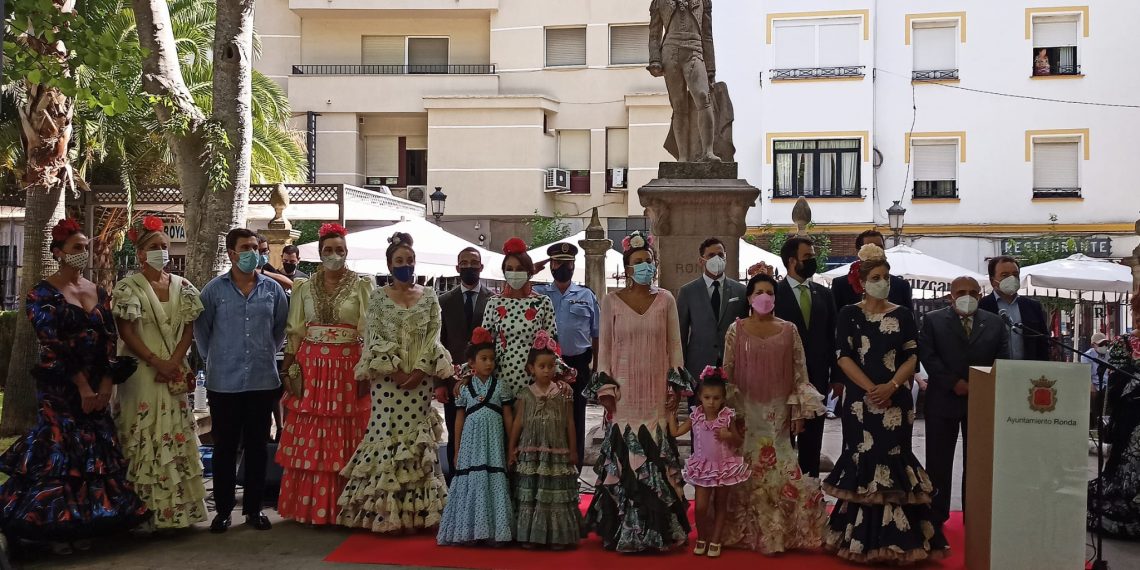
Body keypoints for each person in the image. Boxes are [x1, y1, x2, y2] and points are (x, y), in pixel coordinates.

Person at [0, 219, 149, 553]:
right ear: (59, 253)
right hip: (61, 387)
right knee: (62, 452)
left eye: (85, 247)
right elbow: (52, 343)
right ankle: (54, 528)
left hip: (99, 382)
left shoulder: (98, 291)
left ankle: (90, 524)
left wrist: (106, 383)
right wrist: (83, 387)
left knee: (96, 452)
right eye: (76, 248)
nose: (83, 252)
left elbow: (109, 338)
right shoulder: (41, 294)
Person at [824, 244, 948, 563]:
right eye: (876, 277)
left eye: (886, 277)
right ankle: (861, 538)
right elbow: (843, 356)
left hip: (896, 401)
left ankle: (901, 538)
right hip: (860, 403)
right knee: (863, 457)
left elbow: (912, 355)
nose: (883, 282)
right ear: (862, 282)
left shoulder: (903, 314)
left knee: (894, 458)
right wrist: (871, 389)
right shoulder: (849, 314)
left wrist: (891, 386)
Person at [584, 230, 692, 553]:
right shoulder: (610, 301)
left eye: (649, 260)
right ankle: (621, 528)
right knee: (624, 456)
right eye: (638, 261)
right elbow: (604, 349)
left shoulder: (667, 300)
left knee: (656, 455)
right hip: (623, 395)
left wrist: (675, 386)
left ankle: (659, 530)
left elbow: (676, 346)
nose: (645, 265)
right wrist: (605, 388)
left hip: (657, 392)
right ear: (627, 268)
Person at [338, 232, 453, 533]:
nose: (406, 265)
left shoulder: (429, 296)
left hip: (420, 382)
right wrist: (395, 370)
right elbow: (373, 335)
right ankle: (383, 512)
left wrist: (419, 370)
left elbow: (434, 335)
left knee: (417, 440)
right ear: (389, 265)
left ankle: (420, 512)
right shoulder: (378, 297)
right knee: (384, 434)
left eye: (410, 260)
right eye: (399, 261)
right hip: (386, 381)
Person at [112, 216, 208, 532]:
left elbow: (189, 330)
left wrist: (173, 362)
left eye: (165, 245)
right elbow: (126, 332)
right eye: (154, 246)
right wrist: (156, 361)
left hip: (173, 371)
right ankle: (143, 515)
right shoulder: (127, 288)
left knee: (176, 431)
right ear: (141, 253)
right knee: (143, 433)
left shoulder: (184, 286)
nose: (162, 251)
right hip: (141, 372)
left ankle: (178, 512)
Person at [720, 272, 828, 555]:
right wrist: (729, 411)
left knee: (782, 460)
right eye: (758, 292)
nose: (764, 297)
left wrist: (798, 411)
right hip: (746, 409)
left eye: (769, 292)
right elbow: (727, 371)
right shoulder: (736, 330)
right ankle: (745, 529)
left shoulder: (789, 329)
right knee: (746, 461)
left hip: (779, 411)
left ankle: (780, 530)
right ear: (749, 298)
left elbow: (799, 371)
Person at [275, 223, 372, 526]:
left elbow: (369, 332)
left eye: (339, 250)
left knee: (347, 433)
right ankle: (311, 507)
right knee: (311, 434)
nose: (334, 255)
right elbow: (295, 331)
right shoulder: (303, 287)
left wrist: (367, 371)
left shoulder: (362, 285)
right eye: (328, 250)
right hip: (311, 369)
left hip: (347, 368)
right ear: (319, 253)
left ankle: (347, 508)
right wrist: (287, 368)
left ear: (347, 252)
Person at [196, 228, 289, 533]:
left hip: (262, 380)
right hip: (224, 382)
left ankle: (253, 509)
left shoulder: (273, 290)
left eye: (256, 248)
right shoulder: (213, 291)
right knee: (224, 447)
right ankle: (223, 511)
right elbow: (203, 334)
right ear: (232, 253)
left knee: (257, 446)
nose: (253, 253)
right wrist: (218, 359)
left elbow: (279, 330)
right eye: (246, 247)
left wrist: (263, 352)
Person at [919, 276, 1009, 530]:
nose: (967, 296)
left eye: (972, 292)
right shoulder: (933, 320)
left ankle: (976, 515)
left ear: (980, 295)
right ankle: (936, 516)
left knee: (978, 463)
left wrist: (980, 385)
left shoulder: (995, 323)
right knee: (938, 462)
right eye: (961, 292)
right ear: (951, 296)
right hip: (942, 400)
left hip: (981, 401)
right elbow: (928, 355)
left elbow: (1003, 358)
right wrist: (953, 382)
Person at [437, 327, 514, 546]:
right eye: (484, 359)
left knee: (493, 478)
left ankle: (494, 531)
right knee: (471, 479)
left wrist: (511, 446)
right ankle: (469, 530)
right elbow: (458, 421)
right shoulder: (464, 390)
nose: (489, 363)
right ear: (471, 363)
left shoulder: (501, 387)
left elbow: (508, 418)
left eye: (492, 359)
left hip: (493, 445)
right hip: (470, 446)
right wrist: (457, 449)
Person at [509, 330, 582, 550]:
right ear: (531, 368)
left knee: (553, 494)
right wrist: (511, 448)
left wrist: (573, 450)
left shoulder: (564, 393)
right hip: (531, 451)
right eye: (542, 366)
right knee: (532, 493)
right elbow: (518, 423)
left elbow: (570, 422)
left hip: (556, 450)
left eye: (551, 366)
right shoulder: (525, 394)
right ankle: (530, 534)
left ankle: (557, 536)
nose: (547, 370)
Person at [669, 369, 748, 559]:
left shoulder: (727, 417)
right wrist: (671, 413)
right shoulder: (696, 416)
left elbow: (739, 441)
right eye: (707, 397)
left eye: (716, 398)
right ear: (700, 397)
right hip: (703, 467)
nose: (711, 402)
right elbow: (675, 432)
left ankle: (716, 539)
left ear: (723, 399)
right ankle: (702, 537)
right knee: (701, 507)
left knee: (721, 505)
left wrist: (729, 435)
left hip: (724, 466)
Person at [534, 242, 599, 469]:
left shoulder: (586, 295)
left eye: (567, 263)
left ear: (573, 265)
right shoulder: (538, 293)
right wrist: (530, 270)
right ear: (550, 265)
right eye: (557, 263)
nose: (562, 267)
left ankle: (574, 471)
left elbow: (597, 333)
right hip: (545, 365)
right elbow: (514, 289)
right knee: (545, 418)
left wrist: (596, 368)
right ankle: (548, 470)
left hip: (578, 364)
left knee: (576, 418)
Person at [774, 236, 836, 477]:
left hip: (817, 379)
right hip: (783, 379)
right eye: (807, 256)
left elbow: (832, 336)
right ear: (792, 261)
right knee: (783, 440)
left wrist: (836, 377)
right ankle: (785, 488)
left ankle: (811, 488)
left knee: (813, 440)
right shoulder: (774, 293)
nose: (812, 260)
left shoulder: (824, 294)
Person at [437, 247, 493, 483]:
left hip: (485, 380)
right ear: (457, 267)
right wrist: (440, 383)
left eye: (474, 263)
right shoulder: (444, 301)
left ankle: (482, 483)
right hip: (454, 381)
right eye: (464, 263)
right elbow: (438, 344)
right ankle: (455, 483)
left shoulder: (493, 300)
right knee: (455, 433)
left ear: (481, 267)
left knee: (484, 435)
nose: (469, 267)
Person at [481, 238, 563, 397]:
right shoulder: (494, 303)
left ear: (529, 272)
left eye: (519, 269)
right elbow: (484, 344)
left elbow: (552, 344)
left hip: (535, 381)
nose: (514, 273)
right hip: (500, 380)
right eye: (509, 269)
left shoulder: (543, 302)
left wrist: (559, 376)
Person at [1087, 296, 1140, 538]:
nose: (1138, 316)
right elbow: (1115, 383)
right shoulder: (1125, 343)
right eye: (1137, 311)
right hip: (1132, 417)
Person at [678, 238, 748, 386]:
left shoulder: (741, 291)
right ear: (701, 260)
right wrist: (680, 369)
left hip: (732, 364)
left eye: (720, 255)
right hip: (697, 366)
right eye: (711, 255)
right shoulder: (688, 292)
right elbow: (681, 335)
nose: (717, 259)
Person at [979, 256, 1051, 361]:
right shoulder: (982, 306)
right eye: (1004, 275)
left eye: (1015, 274)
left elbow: (1042, 343)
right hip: (993, 368)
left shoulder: (1033, 307)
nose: (1011, 278)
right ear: (992, 281)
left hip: (1028, 368)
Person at [831, 230, 914, 310]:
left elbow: (909, 317)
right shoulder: (841, 286)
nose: (876, 251)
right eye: (870, 247)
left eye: (879, 247)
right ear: (858, 252)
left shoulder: (901, 286)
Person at [1081, 332, 1111, 431]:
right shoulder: (1087, 356)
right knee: (1093, 395)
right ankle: (1096, 424)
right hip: (1095, 384)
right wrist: (1091, 386)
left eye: (1106, 344)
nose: (1104, 346)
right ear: (1093, 345)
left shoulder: (1109, 354)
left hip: (1108, 384)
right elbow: (1086, 375)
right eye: (1101, 344)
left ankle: (1109, 425)